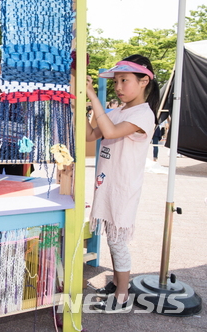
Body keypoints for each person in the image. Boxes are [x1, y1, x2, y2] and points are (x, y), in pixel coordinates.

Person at [86, 55, 159, 313]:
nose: (118, 86)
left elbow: (111, 132)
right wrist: (80, 106)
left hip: (123, 187)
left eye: (124, 80)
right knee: (112, 237)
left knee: (117, 241)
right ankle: (117, 281)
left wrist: (94, 97)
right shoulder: (117, 111)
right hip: (107, 185)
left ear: (143, 81)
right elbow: (89, 136)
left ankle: (122, 294)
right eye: (116, 81)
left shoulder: (144, 114)